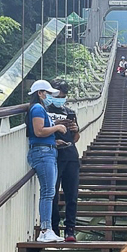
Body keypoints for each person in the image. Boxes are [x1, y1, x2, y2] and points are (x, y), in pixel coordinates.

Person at [26, 79, 68, 243]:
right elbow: (39, 131)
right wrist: (57, 128)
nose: (50, 96)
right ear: (40, 93)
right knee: (48, 192)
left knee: (49, 192)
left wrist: (54, 140)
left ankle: (47, 229)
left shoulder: (39, 108)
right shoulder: (37, 108)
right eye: (48, 93)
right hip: (43, 153)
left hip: (47, 151)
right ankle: (45, 230)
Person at [46, 78, 80, 243]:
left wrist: (75, 130)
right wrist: (55, 125)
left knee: (71, 195)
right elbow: (38, 132)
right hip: (53, 156)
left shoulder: (69, 111)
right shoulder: (42, 111)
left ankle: (70, 230)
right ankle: (53, 228)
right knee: (52, 194)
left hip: (71, 155)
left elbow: (76, 138)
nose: (61, 98)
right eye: (59, 94)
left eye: (64, 95)